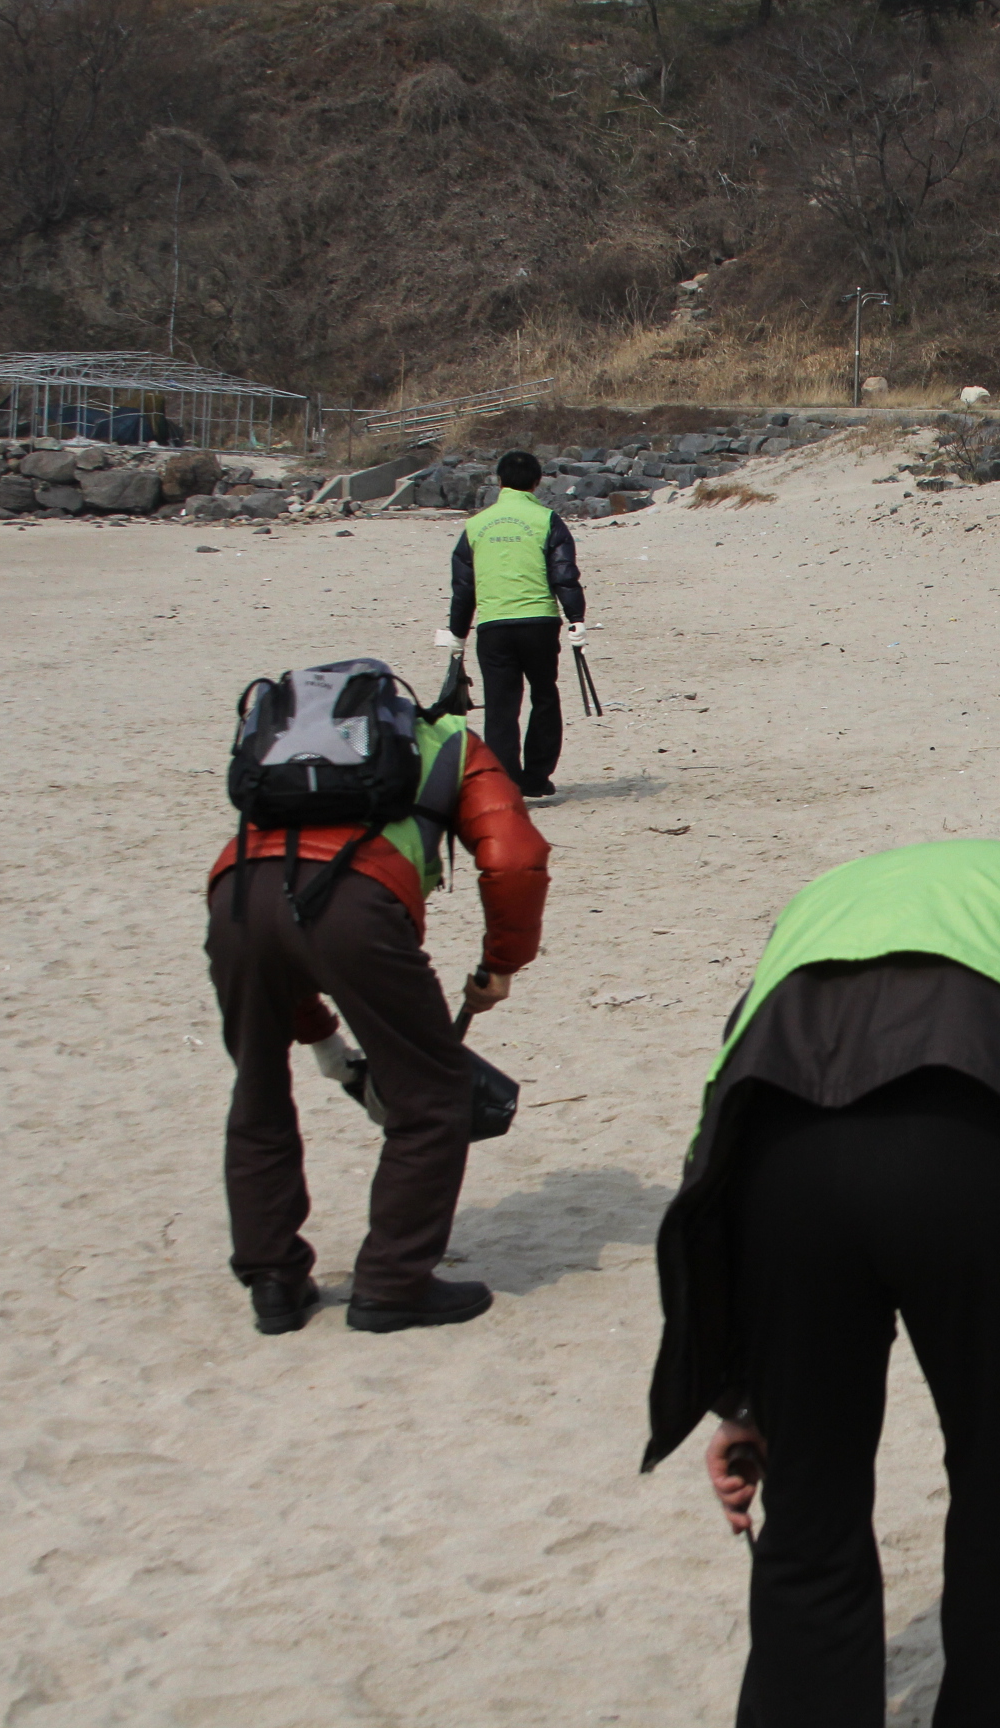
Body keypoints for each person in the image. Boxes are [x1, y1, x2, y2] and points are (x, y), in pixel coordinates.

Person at [642, 839, 1000, 1728]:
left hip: (788, 1169)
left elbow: (727, 1108)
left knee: (808, 1520)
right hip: (993, 1159)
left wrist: (743, 1397)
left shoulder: (825, 898)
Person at [205, 661, 550, 1335]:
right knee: (431, 1096)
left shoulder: (286, 752)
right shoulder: (450, 742)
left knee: (258, 1088)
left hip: (237, 897)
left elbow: (285, 926)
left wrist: (321, 1035)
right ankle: (393, 1285)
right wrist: (500, 963)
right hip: (356, 904)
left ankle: (273, 1283)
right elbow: (513, 857)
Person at [447, 450, 586, 798]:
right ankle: (537, 776)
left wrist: (457, 633)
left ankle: (505, 781)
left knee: (500, 706)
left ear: (499, 481)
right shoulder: (547, 519)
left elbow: (464, 587)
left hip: (493, 625)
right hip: (539, 623)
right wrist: (576, 618)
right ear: (537, 483)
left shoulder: (476, 524)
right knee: (544, 695)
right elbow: (564, 574)